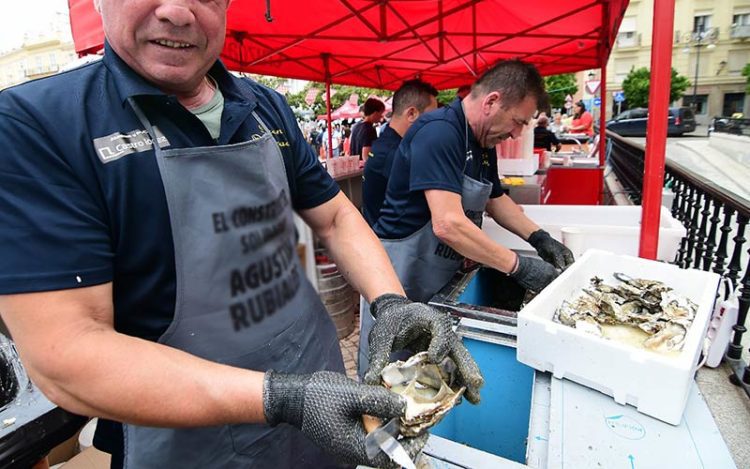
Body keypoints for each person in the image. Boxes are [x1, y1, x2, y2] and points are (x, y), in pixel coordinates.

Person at [0, 1, 483, 468]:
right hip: (186, 433)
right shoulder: (38, 124)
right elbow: (68, 353)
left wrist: (391, 302)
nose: (177, 11)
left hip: (314, 374)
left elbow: (335, 216)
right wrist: (284, 397)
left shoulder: (264, 106)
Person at [360, 60, 575, 374]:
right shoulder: (439, 132)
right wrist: (519, 266)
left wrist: (539, 238)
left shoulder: (482, 141)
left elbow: (495, 199)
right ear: (491, 102)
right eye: (517, 121)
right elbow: (447, 224)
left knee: (426, 374)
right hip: (401, 274)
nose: (516, 134)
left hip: (437, 277)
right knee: (390, 372)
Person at [362, 79, 439, 227]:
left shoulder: (384, 143)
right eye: (431, 118)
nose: (434, 125)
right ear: (411, 114)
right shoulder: (397, 154)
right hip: (391, 241)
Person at [350, 97, 386, 161]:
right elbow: (367, 155)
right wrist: (375, 155)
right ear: (375, 113)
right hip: (364, 168)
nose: (381, 116)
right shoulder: (369, 129)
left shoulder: (356, 126)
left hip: (355, 165)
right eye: (381, 113)